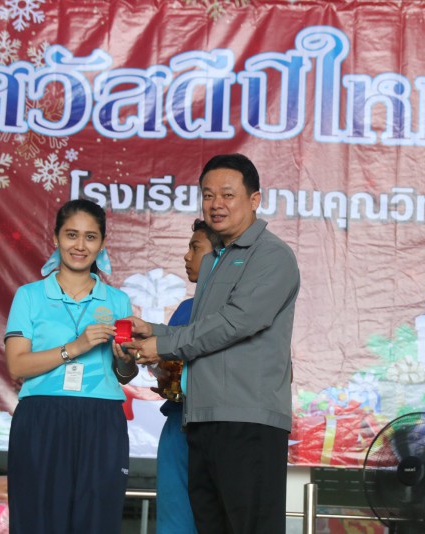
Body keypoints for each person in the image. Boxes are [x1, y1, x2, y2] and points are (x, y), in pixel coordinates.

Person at [123, 153, 300, 534]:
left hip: (247, 420)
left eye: (228, 194)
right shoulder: (215, 259)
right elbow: (202, 327)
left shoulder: (272, 256)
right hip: (202, 419)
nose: (216, 204)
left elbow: (235, 323)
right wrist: (152, 331)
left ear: (254, 199)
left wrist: (163, 344)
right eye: (207, 195)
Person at [4, 199, 135, 534]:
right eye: (71, 235)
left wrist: (125, 360)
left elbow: (125, 374)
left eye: (90, 237)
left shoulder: (118, 301)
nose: (80, 246)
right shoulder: (29, 296)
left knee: (97, 521)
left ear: (102, 243)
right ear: (56, 237)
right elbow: (17, 365)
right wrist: (75, 348)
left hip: (102, 418)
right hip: (42, 416)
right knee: (37, 520)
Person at [154, 218, 217, 534]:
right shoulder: (185, 308)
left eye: (195, 248)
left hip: (221, 426)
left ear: (220, 255)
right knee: (175, 520)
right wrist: (162, 370)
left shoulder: (241, 311)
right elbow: (168, 369)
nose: (186, 256)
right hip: (179, 425)